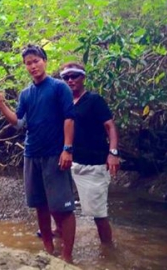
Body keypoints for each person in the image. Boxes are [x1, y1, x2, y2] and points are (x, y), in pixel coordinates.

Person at [0, 45, 76, 262]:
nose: (32, 66)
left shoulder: (59, 88)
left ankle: (67, 256)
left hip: (55, 153)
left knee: (63, 207)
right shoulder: (26, 94)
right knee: (40, 205)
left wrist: (67, 149)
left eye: (36, 61)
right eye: (28, 63)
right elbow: (19, 123)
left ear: (44, 61)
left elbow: (69, 118)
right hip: (32, 154)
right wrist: (2, 106)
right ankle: (48, 250)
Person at [60, 62, 120, 245]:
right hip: (69, 162)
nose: (70, 80)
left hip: (93, 164)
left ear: (83, 77)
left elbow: (110, 126)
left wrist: (113, 153)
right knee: (61, 206)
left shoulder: (94, 100)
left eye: (74, 76)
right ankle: (61, 239)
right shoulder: (64, 103)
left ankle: (108, 251)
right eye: (66, 77)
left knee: (98, 214)